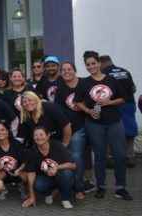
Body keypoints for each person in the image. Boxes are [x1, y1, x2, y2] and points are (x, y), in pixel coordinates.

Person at [75, 50, 132, 200]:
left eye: (93, 63)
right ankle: (101, 186)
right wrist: (88, 111)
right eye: (88, 64)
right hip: (94, 124)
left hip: (114, 122)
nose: (91, 66)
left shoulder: (112, 80)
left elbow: (123, 98)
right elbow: (78, 102)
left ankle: (121, 188)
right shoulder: (84, 82)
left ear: (99, 63)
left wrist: (109, 102)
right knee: (100, 156)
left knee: (120, 155)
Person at [56, 62, 95, 195]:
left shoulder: (84, 83)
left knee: (78, 155)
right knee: (75, 155)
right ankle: (77, 184)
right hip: (68, 127)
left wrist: (96, 113)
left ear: (75, 70)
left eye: (69, 69)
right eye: (64, 70)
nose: (67, 72)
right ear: (61, 73)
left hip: (84, 125)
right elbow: (58, 110)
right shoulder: (60, 89)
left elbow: (96, 101)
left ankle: (79, 186)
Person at [22, 127, 77, 208]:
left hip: (60, 174)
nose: (39, 137)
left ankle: (65, 199)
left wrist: (56, 168)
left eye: (41, 134)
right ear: (33, 138)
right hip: (46, 178)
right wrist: (32, 197)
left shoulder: (57, 145)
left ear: (48, 136)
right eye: (36, 135)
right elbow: (31, 174)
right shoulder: (32, 152)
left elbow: (73, 165)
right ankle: (50, 192)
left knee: (67, 174)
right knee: (38, 184)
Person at [100, 55, 138, 168]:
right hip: (129, 103)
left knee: (109, 130)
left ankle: (110, 158)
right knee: (129, 130)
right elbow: (133, 89)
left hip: (112, 105)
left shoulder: (104, 73)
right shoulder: (125, 71)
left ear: (102, 63)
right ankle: (130, 157)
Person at [0, 122, 27, 200]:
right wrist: (1, 167)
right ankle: (1, 188)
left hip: (17, 172)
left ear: (8, 131)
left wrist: (19, 170)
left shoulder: (16, 143)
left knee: (28, 174)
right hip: (3, 172)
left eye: (3, 130)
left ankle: (23, 187)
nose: (0, 132)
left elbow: (24, 161)